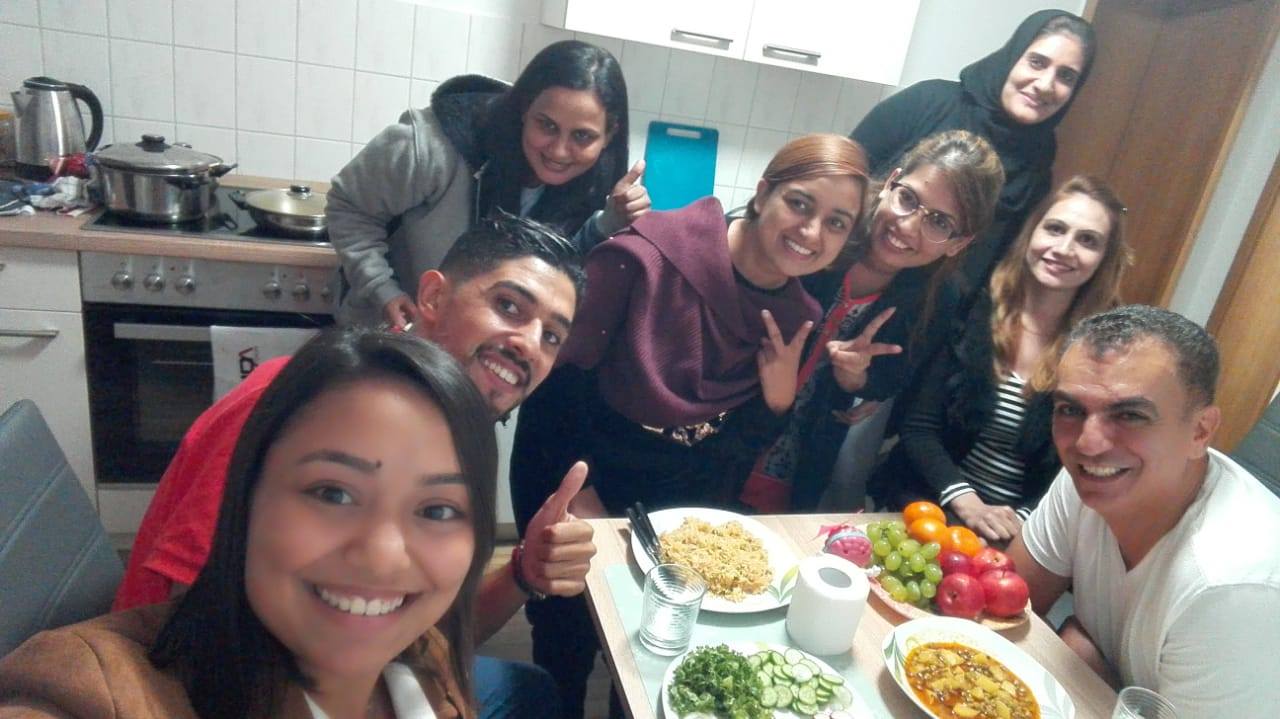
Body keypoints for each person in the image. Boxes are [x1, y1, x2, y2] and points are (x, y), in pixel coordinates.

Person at [112, 215, 592, 719]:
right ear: (432, 297)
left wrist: (523, 571)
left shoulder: (447, 434)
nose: (529, 344)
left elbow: (426, 634)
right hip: (198, 691)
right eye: (509, 306)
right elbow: (195, 643)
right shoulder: (302, 408)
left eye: (552, 336)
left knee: (531, 691)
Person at [510, 133, 871, 717]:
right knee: (566, 640)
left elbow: (735, 446)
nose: (811, 232)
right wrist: (584, 493)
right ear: (763, 193)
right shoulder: (645, 257)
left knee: (654, 653)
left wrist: (775, 404)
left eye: (836, 223)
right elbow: (554, 390)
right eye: (800, 203)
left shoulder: (798, 316)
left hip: (685, 503)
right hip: (586, 467)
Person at [0, 328, 498, 718]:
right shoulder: (88, 691)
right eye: (333, 493)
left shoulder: (421, 648)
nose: (383, 557)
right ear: (243, 497)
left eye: (437, 510)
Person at [1006, 305, 1280, 714]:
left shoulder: (1233, 590)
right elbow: (1005, 610)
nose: (1087, 443)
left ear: (1200, 431)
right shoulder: (1090, 479)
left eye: (1130, 415)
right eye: (1071, 410)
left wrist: (1082, 647)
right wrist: (1083, 653)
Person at [742, 130, 1006, 512]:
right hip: (732, 416)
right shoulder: (825, 232)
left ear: (959, 243)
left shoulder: (940, 299)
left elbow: (893, 379)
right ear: (891, 182)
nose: (908, 226)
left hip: (804, 449)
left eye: (939, 222)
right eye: (908, 198)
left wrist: (856, 377)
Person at [876, 176, 1131, 541]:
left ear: (1105, 259)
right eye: (1055, 229)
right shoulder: (970, 310)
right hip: (928, 504)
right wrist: (969, 506)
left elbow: (1080, 467)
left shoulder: (1106, 353)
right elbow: (919, 427)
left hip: (1026, 531)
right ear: (1032, 233)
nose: (1064, 248)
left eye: (1088, 240)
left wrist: (1019, 526)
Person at [328, 39, 650, 328]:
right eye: (547, 126)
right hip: (388, 338)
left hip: (475, 359)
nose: (559, 151)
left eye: (582, 136)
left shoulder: (593, 185)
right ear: (524, 108)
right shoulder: (431, 146)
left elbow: (552, 266)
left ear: (609, 135)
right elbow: (348, 207)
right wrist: (383, 290)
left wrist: (608, 223)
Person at [851, 9, 1096, 292]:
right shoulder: (927, 103)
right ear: (1013, 57)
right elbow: (838, 181)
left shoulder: (1038, 163)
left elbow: (999, 265)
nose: (1045, 85)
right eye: (1037, 62)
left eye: (1066, 76)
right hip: (840, 275)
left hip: (927, 308)